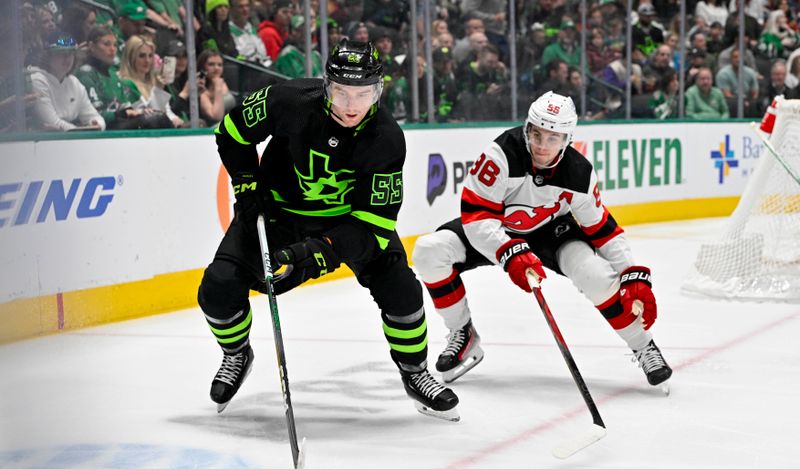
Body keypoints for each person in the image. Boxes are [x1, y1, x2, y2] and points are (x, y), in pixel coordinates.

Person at [198, 39, 460, 420]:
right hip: (278, 214)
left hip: (347, 223)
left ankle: (415, 372)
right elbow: (232, 133)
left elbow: (373, 226)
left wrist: (321, 249)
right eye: (342, 92)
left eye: (363, 94)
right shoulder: (286, 100)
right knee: (218, 286)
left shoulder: (387, 139)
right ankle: (237, 354)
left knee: (402, 290)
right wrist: (246, 182)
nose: (351, 106)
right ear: (326, 86)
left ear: (378, 91)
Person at [411, 91, 672, 388]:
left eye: (553, 138)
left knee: (596, 275)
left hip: (553, 234)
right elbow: (477, 216)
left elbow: (603, 230)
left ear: (567, 139)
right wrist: (508, 251)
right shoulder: (501, 155)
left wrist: (630, 274)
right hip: (498, 230)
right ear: (527, 129)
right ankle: (463, 334)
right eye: (537, 135)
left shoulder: (579, 173)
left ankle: (643, 346)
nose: (542, 146)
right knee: (429, 251)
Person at [29, 34, 106, 131]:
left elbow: (94, 116)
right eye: (61, 53)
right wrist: (82, 132)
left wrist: (96, 124)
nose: (67, 58)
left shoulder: (74, 82)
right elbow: (52, 122)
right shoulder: (37, 80)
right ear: (48, 56)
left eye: (71, 53)